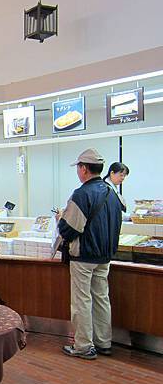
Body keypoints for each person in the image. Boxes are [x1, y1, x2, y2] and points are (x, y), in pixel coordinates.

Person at [58, 148, 123, 360]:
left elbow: (69, 229)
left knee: (82, 301)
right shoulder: (112, 192)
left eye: (78, 167)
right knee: (102, 298)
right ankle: (104, 342)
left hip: (84, 256)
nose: (78, 171)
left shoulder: (81, 194)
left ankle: (84, 346)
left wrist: (61, 218)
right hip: (105, 256)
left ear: (84, 168)